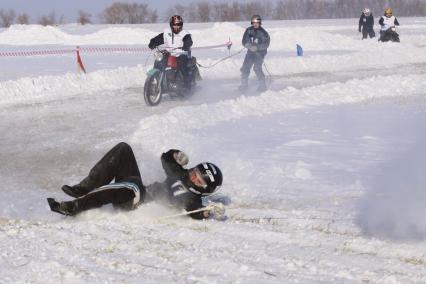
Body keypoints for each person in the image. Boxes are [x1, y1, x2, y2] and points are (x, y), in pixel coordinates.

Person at [47, 142, 224, 220]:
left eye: (198, 180)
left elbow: (195, 211)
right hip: (135, 191)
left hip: (137, 203)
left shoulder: (193, 200)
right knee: (124, 149)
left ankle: (73, 207)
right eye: (195, 172)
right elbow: (166, 159)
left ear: (204, 190)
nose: (193, 177)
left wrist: (206, 213)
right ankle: (84, 187)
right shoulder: (180, 174)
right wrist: (176, 154)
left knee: (133, 184)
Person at [148, 15, 193, 90]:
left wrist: (186, 45)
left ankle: (187, 85)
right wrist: (152, 43)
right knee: (158, 61)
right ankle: (155, 80)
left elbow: (189, 41)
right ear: (171, 25)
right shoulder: (167, 32)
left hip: (182, 53)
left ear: (181, 25)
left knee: (182, 65)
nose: (176, 27)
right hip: (170, 52)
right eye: (174, 25)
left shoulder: (185, 33)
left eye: (178, 25)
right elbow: (158, 39)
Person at [239, 14, 270, 93]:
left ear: (260, 23)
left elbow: (266, 44)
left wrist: (257, 48)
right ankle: (244, 85)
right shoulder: (248, 30)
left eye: (257, 22)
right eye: (254, 22)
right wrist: (248, 45)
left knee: (257, 68)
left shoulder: (263, 33)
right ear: (252, 23)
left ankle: (262, 85)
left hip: (260, 53)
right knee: (245, 67)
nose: (255, 24)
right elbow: (244, 41)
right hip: (250, 52)